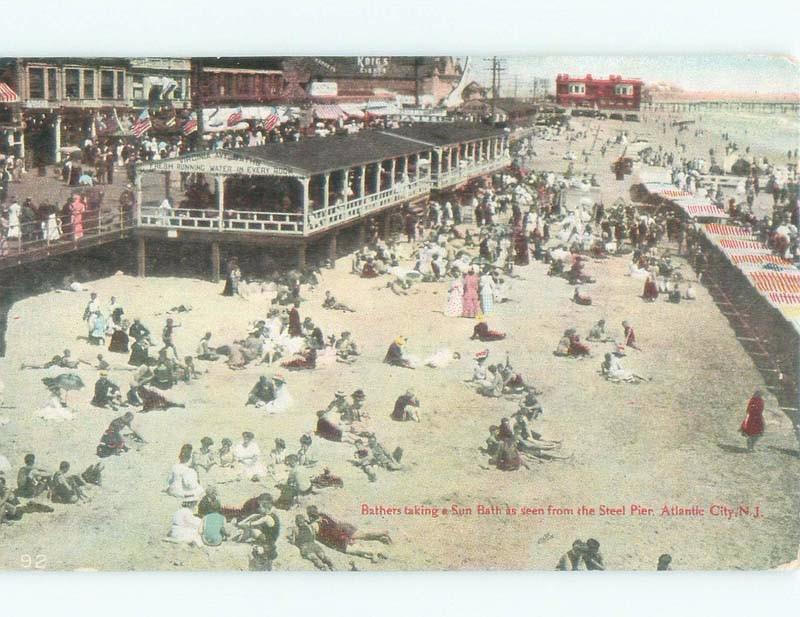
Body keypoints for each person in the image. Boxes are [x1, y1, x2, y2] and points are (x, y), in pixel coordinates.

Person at [306, 505, 390, 563]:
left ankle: (373, 552)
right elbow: (337, 521)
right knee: (364, 534)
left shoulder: (314, 525)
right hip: (343, 529)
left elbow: (312, 535)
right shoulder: (323, 514)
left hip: (338, 539)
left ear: (310, 516)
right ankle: (380, 533)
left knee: (355, 550)